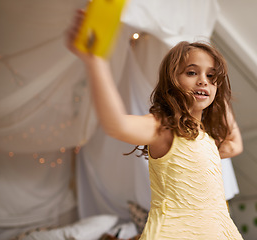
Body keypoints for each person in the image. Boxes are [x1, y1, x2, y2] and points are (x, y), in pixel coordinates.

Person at [67, 9, 244, 240]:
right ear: (172, 81)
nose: (203, 80)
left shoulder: (206, 138)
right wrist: (95, 62)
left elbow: (235, 144)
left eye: (212, 76)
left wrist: (218, 95)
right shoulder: (164, 129)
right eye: (192, 72)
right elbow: (116, 124)